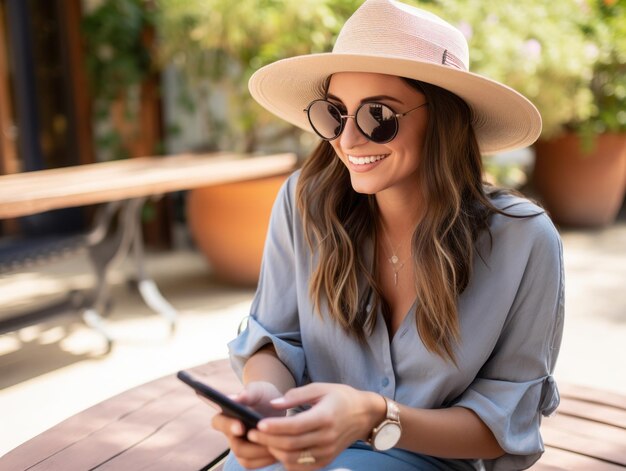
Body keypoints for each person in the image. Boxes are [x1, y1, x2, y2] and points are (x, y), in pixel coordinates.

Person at [211, 1, 564, 470]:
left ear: (443, 120)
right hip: (303, 447)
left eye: (378, 117)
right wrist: (265, 399)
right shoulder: (304, 204)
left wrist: (372, 418)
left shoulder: (525, 243)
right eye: (334, 114)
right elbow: (276, 338)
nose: (348, 140)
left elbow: (506, 424)